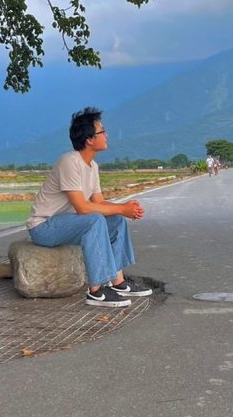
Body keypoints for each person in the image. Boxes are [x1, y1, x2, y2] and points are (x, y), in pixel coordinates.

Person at [26, 107, 152, 308]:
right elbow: (83, 208)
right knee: (95, 220)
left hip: (68, 224)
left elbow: (99, 202)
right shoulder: (70, 162)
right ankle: (96, 291)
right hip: (44, 228)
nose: (107, 135)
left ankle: (118, 282)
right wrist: (122, 208)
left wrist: (124, 208)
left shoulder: (93, 167)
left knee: (116, 221)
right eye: (102, 131)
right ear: (89, 139)